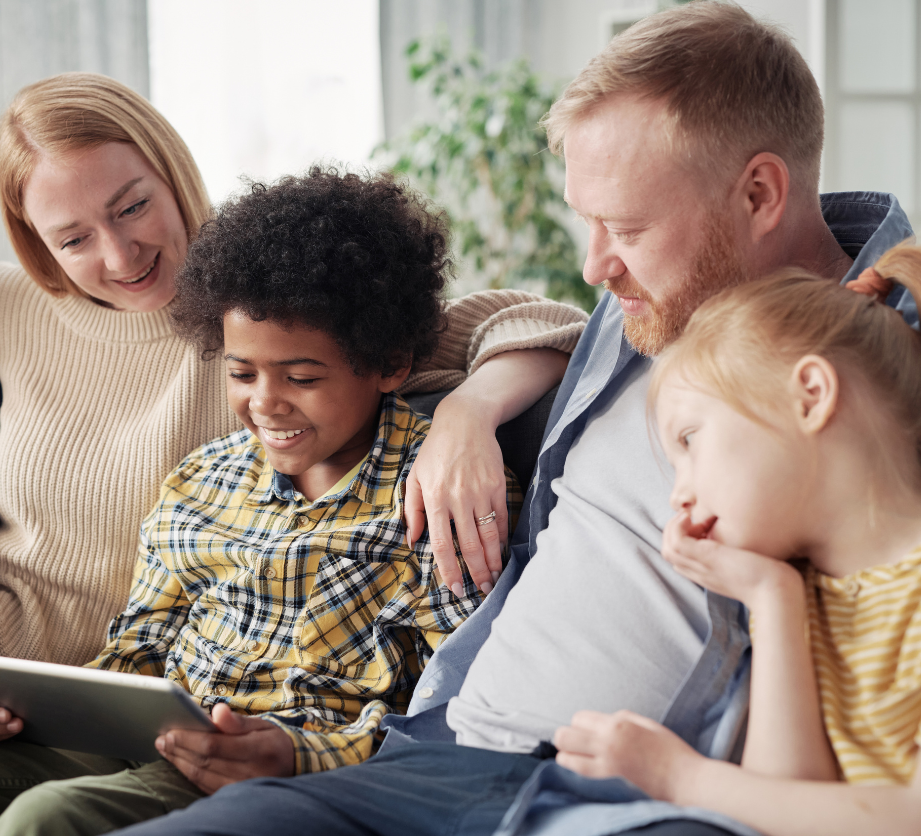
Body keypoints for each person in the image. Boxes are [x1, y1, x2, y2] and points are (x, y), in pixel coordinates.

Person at [0, 75, 584, 835]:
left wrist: (467, 414)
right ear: (39, 247)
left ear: (168, 167)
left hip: (107, 706)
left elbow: (536, 321)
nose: (118, 252)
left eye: (132, 204)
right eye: (72, 239)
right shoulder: (7, 304)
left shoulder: (266, 297)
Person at [103, 5, 919, 836]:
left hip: (630, 801)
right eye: (587, 221)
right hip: (435, 756)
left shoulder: (886, 366)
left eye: (627, 227)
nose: (596, 265)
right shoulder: (647, 301)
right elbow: (429, 325)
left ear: (759, 193)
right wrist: (470, 407)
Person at [553, 251, 921, 834]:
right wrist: (773, 600)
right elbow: (788, 805)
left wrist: (680, 778)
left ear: (810, 395)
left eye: (691, 439)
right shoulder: (805, 595)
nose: (677, 496)